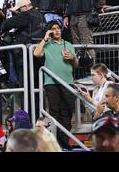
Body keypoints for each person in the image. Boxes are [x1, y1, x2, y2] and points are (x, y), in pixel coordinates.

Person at [33, 21, 79, 149]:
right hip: (51, 83)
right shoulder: (47, 44)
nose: (57, 30)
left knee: (68, 112)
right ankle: (54, 141)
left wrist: (72, 58)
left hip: (68, 82)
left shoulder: (69, 44)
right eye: (53, 29)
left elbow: (76, 64)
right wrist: (45, 38)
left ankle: (64, 140)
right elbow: (36, 53)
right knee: (54, 112)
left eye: (58, 28)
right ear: (50, 31)